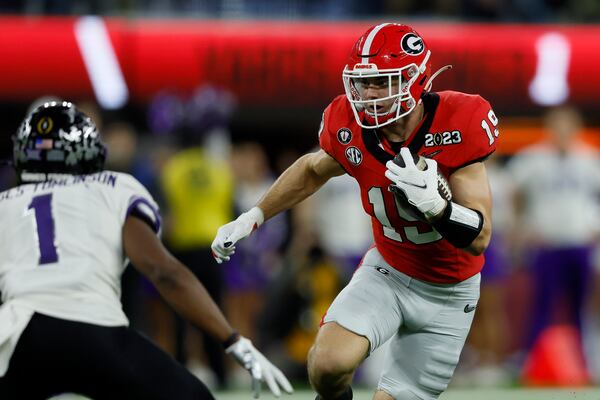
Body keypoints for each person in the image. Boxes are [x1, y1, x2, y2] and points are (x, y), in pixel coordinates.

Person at [212, 23, 499, 400]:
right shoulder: (349, 125)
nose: (369, 94)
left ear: (416, 79)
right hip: (389, 270)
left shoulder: (458, 121)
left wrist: (438, 208)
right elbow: (311, 170)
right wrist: (253, 216)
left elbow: (479, 238)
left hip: (450, 291)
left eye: (382, 82)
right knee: (326, 366)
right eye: (363, 83)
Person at [0, 102, 293, 400]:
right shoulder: (113, 186)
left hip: (19, 334)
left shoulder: (5, 203)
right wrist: (231, 339)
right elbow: (163, 271)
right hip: (94, 329)